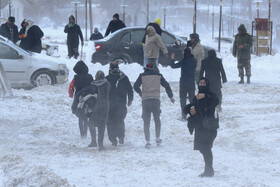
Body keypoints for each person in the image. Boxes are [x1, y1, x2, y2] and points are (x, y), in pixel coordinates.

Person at [184, 77, 219, 177]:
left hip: (209, 127)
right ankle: (209, 169)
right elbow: (194, 108)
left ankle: (209, 170)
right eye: (201, 83)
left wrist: (205, 97)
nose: (202, 84)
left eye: (204, 83)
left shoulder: (211, 95)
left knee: (206, 148)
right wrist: (191, 111)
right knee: (202, 149)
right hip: (200, 127)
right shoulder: (196, 97)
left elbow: (214, 103)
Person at [134, 63, 175, 148]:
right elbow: (167, 85)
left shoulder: (142, 76)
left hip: (145, 100)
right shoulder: (159, 75)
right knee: (157, 119)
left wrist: (141, 93)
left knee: (146, 121)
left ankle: (148, 142)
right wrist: (170, 96)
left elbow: (135, 86)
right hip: (156, 100)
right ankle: (158, 138)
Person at [106, 61, 133, 146]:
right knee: (120, 121)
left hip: (110, 105)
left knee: (110, 122)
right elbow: (130, 89)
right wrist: (130, 99)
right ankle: (121, 137)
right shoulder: (124, 78)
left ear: (110, 69)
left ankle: (113, 140)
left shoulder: (107, 79)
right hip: (121, 104)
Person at [82, 71, 110, 151]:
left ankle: (93, 141)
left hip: (95, 107)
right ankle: (101, 145)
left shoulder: (93, 85)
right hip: (105, 106)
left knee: (91, 124)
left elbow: (91, 94)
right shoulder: (108, 84)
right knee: (102, 125)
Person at [69, 61, 93, 138]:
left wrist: (71, 94)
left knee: (80, 115)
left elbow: (71, 87)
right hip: (88, 97)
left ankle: (82, 133)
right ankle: (85, 132)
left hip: (78, 98)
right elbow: (93, 85)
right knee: (86, 115)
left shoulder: (76, 77)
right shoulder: (90, 76)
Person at [170, 48, 197, 120]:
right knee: (192, 99)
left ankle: (184, 114)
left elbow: (173, 66)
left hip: (183, 83)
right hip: (191, 83)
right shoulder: (194, 61)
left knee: (183, 99)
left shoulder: (183, 61)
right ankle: (193, 113)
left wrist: (172, 59)